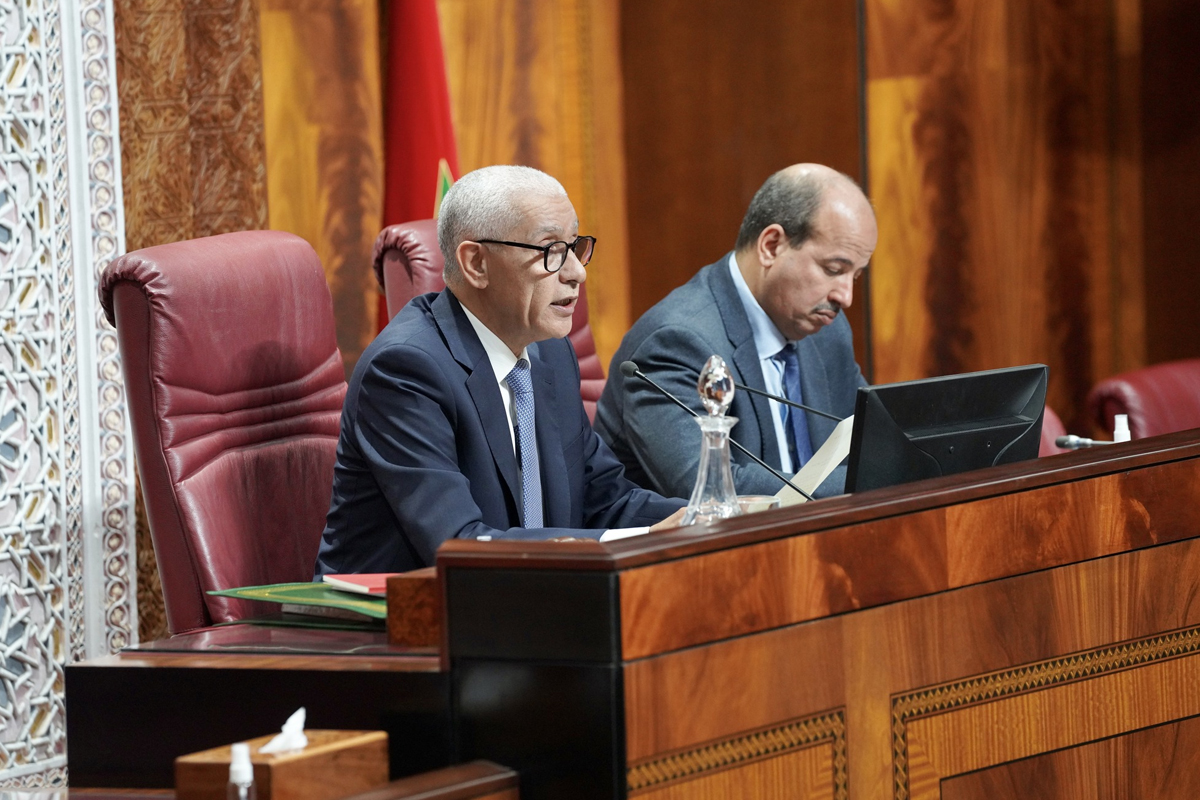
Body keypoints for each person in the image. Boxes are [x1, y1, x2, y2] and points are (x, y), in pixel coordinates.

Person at [316, 165, 685, 575]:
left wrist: (716, 516)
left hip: (517, 606)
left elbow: (605, 501)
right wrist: (644, 538)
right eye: (550, 250)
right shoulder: (405, 371)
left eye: (575, 246)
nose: (576, 272)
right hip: (393, 625)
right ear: (476, 263)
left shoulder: (551, 355)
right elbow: (459, 543)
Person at [594, 164, 876, 499]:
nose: (845, 296)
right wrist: (872, 482)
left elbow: (875, 446)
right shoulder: (676, 343)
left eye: (855, 276)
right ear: (771, 246)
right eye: (833, 269)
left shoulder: (826, 331)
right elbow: (714, 489)